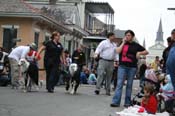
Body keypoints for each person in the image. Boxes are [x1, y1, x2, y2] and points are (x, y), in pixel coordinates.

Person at [111, 30, 148, 107]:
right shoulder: (122, 43)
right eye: (126, 35)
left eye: (129, 35)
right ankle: (115, 102)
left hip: (132, 67)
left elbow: (146, 51)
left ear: (132, 37)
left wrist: (139, 53)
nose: (127, 37)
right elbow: (117, 51)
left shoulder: (136, 45)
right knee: (119, 84)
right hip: (122, 66)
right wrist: (123, 42)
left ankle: (127, 102)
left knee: (129, 85)